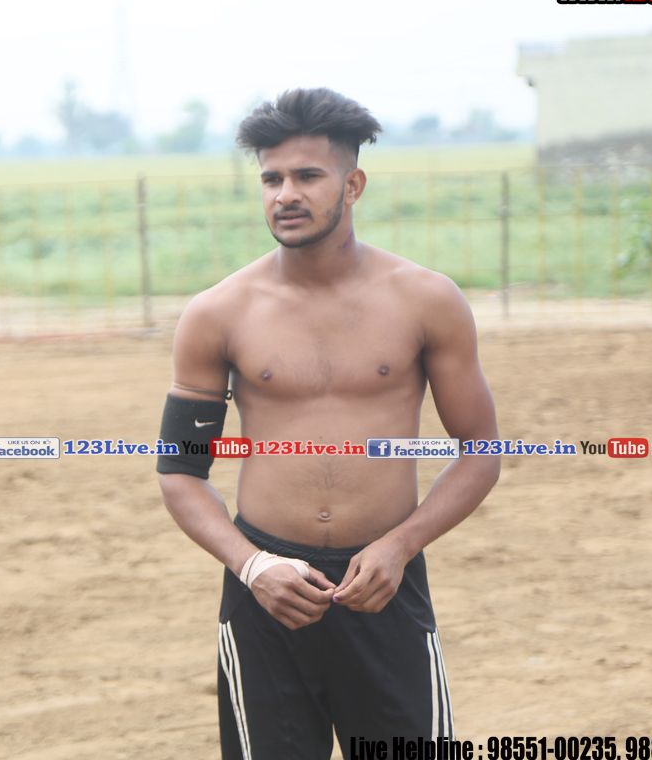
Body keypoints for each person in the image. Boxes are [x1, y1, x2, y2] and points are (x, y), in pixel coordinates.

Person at [155, 88, 500, 757]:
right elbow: (179, 472)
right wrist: (252, 566)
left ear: (353, 184)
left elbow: (481, 451)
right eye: (271, 179)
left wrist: (400, 547)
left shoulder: (426, 300)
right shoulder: (217, 313)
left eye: (307, 176)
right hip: (265, 596)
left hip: (384, 588)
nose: (286, 195)